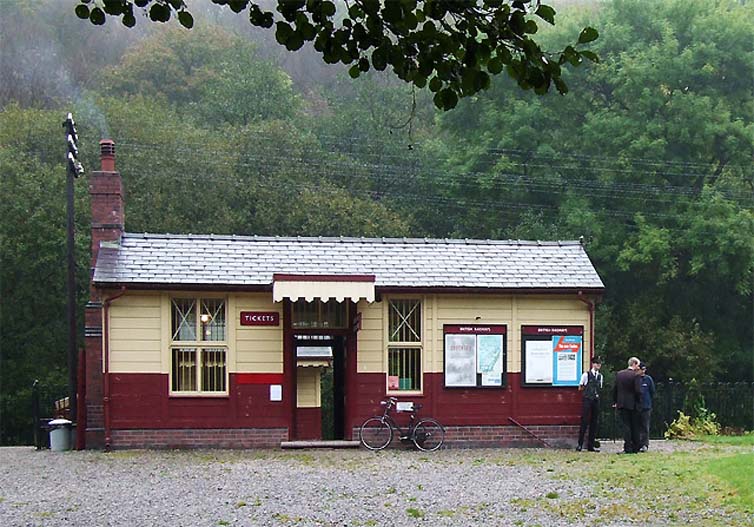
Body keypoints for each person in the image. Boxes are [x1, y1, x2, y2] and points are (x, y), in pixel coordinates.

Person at [612, 356, 642, 454]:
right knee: (634, 425)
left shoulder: (619, 374)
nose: (639, 367)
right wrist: (639, 402)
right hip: (633, 404)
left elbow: (615, 389)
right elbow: (638, 391)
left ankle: (627, 447)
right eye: (638, 364)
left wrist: (615, 401)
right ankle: (635, 447)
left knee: (626, 426)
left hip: (622, 403)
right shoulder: (636, 375)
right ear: (634, 364)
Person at [577, 356, 603, 452]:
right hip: (587, 399)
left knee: (594, 422)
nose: (598, 365)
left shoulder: (600, 376)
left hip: (596, 400)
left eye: (599, 363)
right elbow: (580, 387)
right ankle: (579, 444)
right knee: (584, 421)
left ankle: (590, 445)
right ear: (593, 364)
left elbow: (600, 387)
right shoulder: (586, 375)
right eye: (596, 363)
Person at [638, 362, 655, 452]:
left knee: (645, 426)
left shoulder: (648, 379)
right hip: (637, 406)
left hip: (646, 406)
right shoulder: (636, 379)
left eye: (644, 369)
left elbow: (652, 391)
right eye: (642, 369)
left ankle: (645, 444)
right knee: (637, 425)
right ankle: (637, 443)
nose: (643, 371)